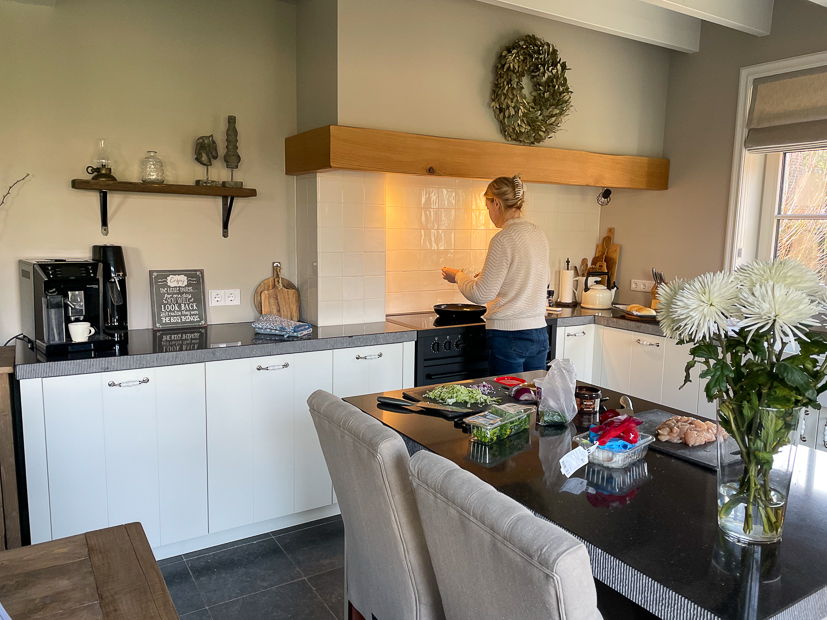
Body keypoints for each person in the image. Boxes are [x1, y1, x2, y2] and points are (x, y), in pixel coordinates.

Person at [442, 175, 550, 375]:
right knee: (534, 392)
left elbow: (481, 294)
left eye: (488, 207)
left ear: (497, 203)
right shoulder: (538, 233)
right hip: (539, 333)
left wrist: (457, 276)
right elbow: (541, 279)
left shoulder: (503, 239)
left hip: (508, 336)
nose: (489, 213)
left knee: (507, 395)